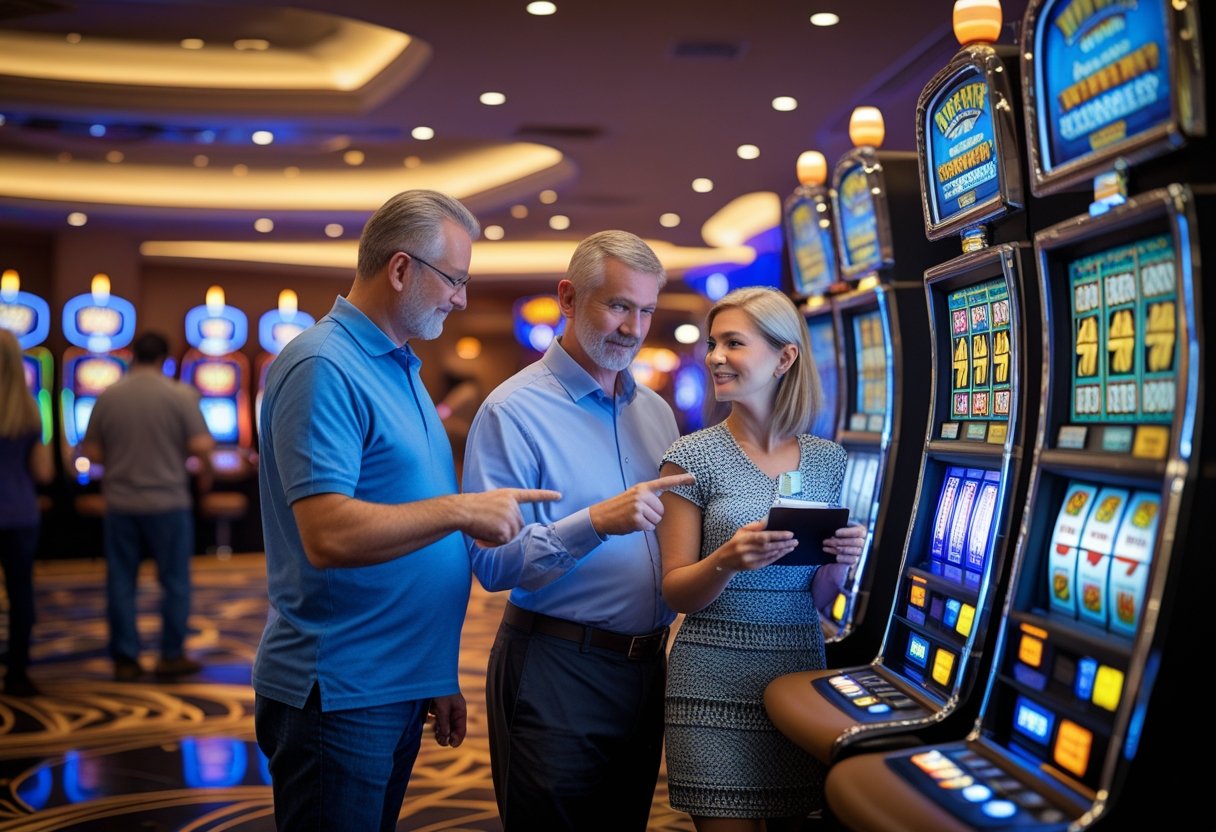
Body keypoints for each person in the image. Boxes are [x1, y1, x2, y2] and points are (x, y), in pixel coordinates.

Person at [252, 189, 559, 832]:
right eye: (454, 279)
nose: (462, 298)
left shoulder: (400, 367)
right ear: (400, 269)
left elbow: (401, 521)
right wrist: (461, 512)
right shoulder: (323, 365)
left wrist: (434, 671)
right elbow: (329, 534)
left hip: (394, 680)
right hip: (338, 690)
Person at [462, 229, 694, 831]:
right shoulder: (512, 410)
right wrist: (592, 524)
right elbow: (490, 565)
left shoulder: (657, 412)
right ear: (568, 298)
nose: (634, 328)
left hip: (647, 667)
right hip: (556, 665)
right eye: (618, 305)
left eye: (646, 310)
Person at [656, 286, 867, 832]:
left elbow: (817, 597)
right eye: (712, 344)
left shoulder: (828, 460)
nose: (715, 357)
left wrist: (840, 563)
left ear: (785, 357)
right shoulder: (689, 457)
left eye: (734, 343)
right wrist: (727, 558)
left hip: (798, 672)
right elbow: (676, 592)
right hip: (711, 679)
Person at [81, 330, 215, 683]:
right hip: (168, 500)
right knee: (174, 581)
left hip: (121, 502)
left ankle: (126, 658)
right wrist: (203, 477)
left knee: (122, 582)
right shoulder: (180, 394)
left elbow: (91, 453)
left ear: (132, 356)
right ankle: (171, 655)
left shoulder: (109, 395)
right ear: (165, 359)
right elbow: (202, 446)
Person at [0, 329, 54, 697]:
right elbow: (44, 473)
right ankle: (17, 673)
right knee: (21, 596)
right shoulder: (30, 408)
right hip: (19, 513)